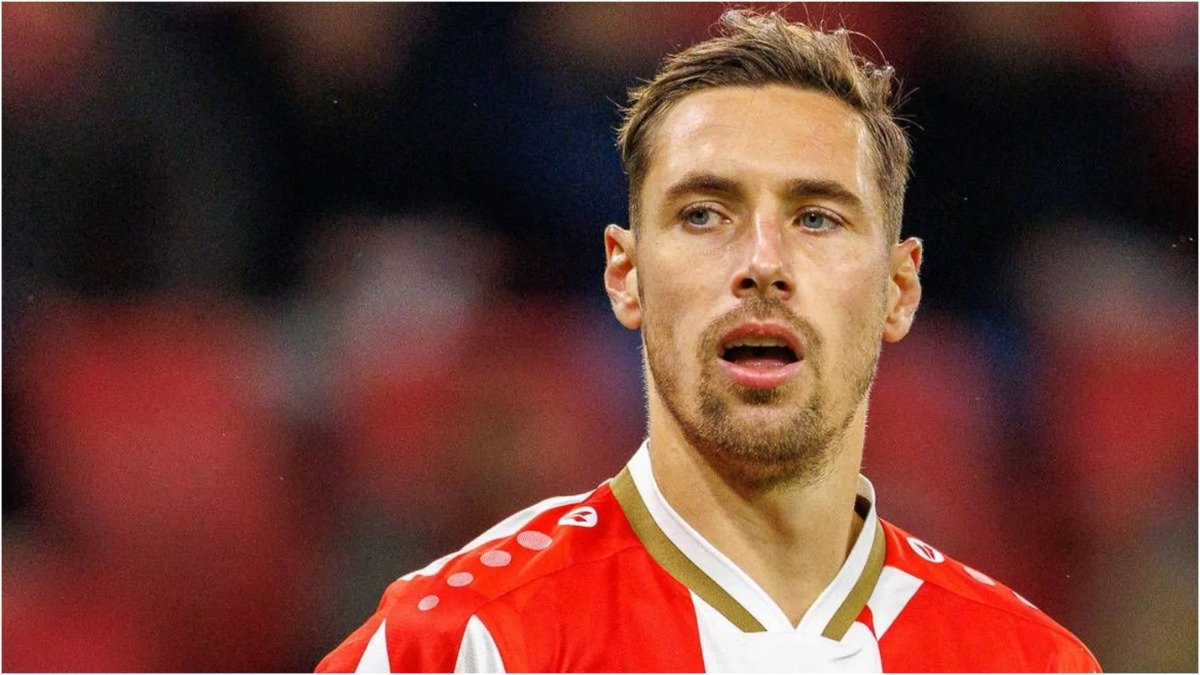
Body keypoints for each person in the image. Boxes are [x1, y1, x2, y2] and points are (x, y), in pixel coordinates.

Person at [317, 10, 1100, 672]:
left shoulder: (1028, 661)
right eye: (704, 214)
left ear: (898, 289)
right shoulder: (459, 643)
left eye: (816, 217)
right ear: (626, 275)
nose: (763, 262)